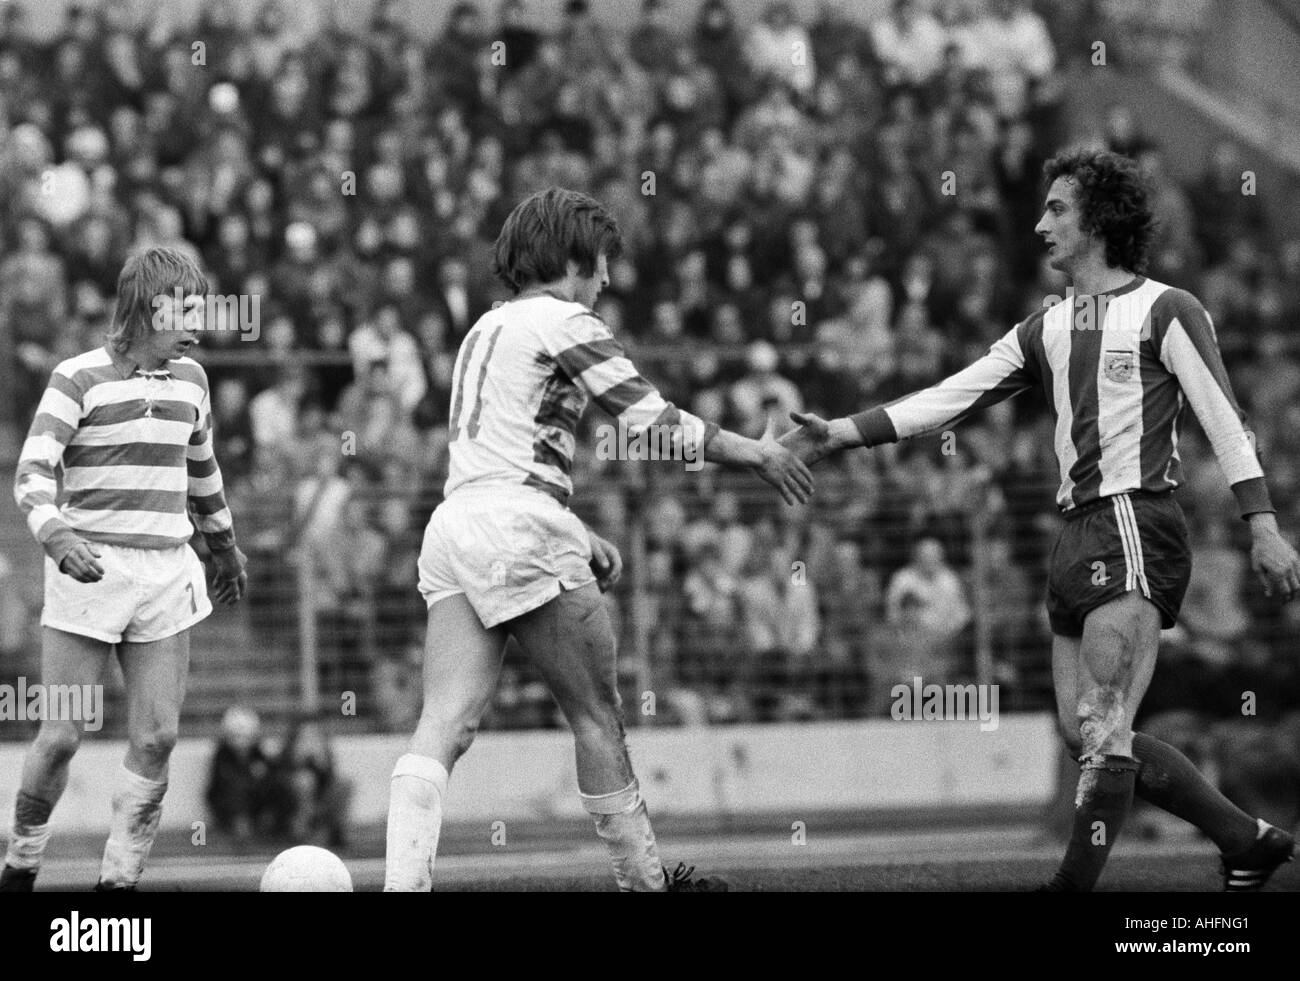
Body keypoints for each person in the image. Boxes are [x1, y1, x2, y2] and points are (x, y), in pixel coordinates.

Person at [782, 149, 1300, 892]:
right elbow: (951, 395)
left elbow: (1223, 418)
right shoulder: (1050, 326)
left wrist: (1262, 522)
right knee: (1084, 731)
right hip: (1076, 533)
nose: (1039, 224)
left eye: (1057, 209)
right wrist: (842, 431)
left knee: (1102, 720)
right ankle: (1243, 837)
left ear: (1098, 220)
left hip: (1133, 520)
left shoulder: (1167, 308)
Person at [384, 187, 812, 892]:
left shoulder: (484, 330)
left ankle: (403, 886)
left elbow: (499, 454)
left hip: (456, 524)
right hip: (520, 525)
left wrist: (575, 527)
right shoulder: (566, 320)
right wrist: (757, 454)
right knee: (596, 715)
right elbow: (652, 420)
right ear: (574, 255)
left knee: (445, 723)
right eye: (603, 261)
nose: (608, 279)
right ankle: (645, 884)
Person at [3, 247, 248, 891]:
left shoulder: (193, 381)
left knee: (159, 736)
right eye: (188, 309)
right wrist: (55, 535)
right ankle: (21, 866)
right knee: (59, 737)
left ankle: (117, 889)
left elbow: (204, 470)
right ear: (149, 306)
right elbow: (31, 472)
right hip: (90, 569)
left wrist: (224, 546)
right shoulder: (77, 378)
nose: (199, 324)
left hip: (168, 571)